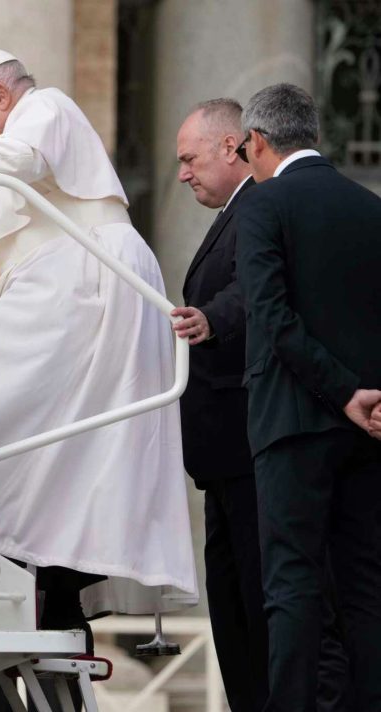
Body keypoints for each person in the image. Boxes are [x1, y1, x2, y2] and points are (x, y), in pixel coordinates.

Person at [0, 48, 197, 709]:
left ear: (3, 93)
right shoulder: (13, 135)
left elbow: (17, 163)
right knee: (43, 447)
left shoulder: (47, 109)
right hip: (68, 287)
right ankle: (26, 557)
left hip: (86, 283)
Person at [236, 83, 381, 711]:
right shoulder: (368, 207)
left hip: (293, 425)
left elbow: (270, 315)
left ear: (259, 142)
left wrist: (343, 390)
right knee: (367, 585)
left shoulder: (264, 206)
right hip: (368, 428)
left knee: (291, 586)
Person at [174, 98, 267, 712]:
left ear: (231, 146)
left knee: (254, 605)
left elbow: (251, 289)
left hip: (247, 445)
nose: (182, 173)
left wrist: (212, 319)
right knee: (232, 608)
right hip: (222, 453)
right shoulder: (234, 211)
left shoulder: (259, 208)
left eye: (189, 158)